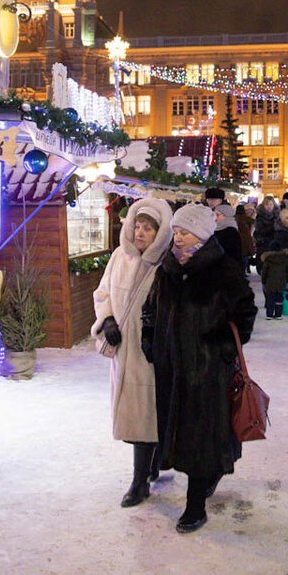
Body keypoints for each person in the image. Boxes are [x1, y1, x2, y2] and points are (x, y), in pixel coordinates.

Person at [141, 204, 256, 534]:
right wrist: (150, 339)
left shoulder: (223, 270)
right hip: (171, 370)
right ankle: (207, 475)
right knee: (177, 434)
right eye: (176, 231)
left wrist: (221, 347)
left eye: (185, 231)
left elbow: (245, 314)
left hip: (207, 372)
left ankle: (195, 507)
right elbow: (150, 310)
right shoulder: (168, 269)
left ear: (203, 235)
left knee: (200, 438)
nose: (178, 237)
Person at [90, 198, 173, 508]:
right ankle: (150, 466)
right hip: (124, 350)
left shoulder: (166, 263)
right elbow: (103, 293)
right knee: (135, 414)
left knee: (144, 413)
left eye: (148, 228)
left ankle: (140, 482)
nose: (141, 233)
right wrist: (108, 319)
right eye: (138, 226)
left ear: (160, 231)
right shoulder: (119, 257)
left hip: (151, 352)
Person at [258, 240, 288, 320]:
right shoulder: (285, 258)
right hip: (281, 282)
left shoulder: (268, 259)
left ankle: (269, 314)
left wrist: (263, 281)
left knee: (270, 299)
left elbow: (264, 272)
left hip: (270, 283)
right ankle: (278, 314)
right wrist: (287, 280)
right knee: (279, 298)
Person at [234, 204, 255, 273]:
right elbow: (253, 221)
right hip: (246, 240)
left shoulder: (234, 217)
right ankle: (244, 270)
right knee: (245, 256)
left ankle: (240, 271)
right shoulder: (244, 217)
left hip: (237, 239)